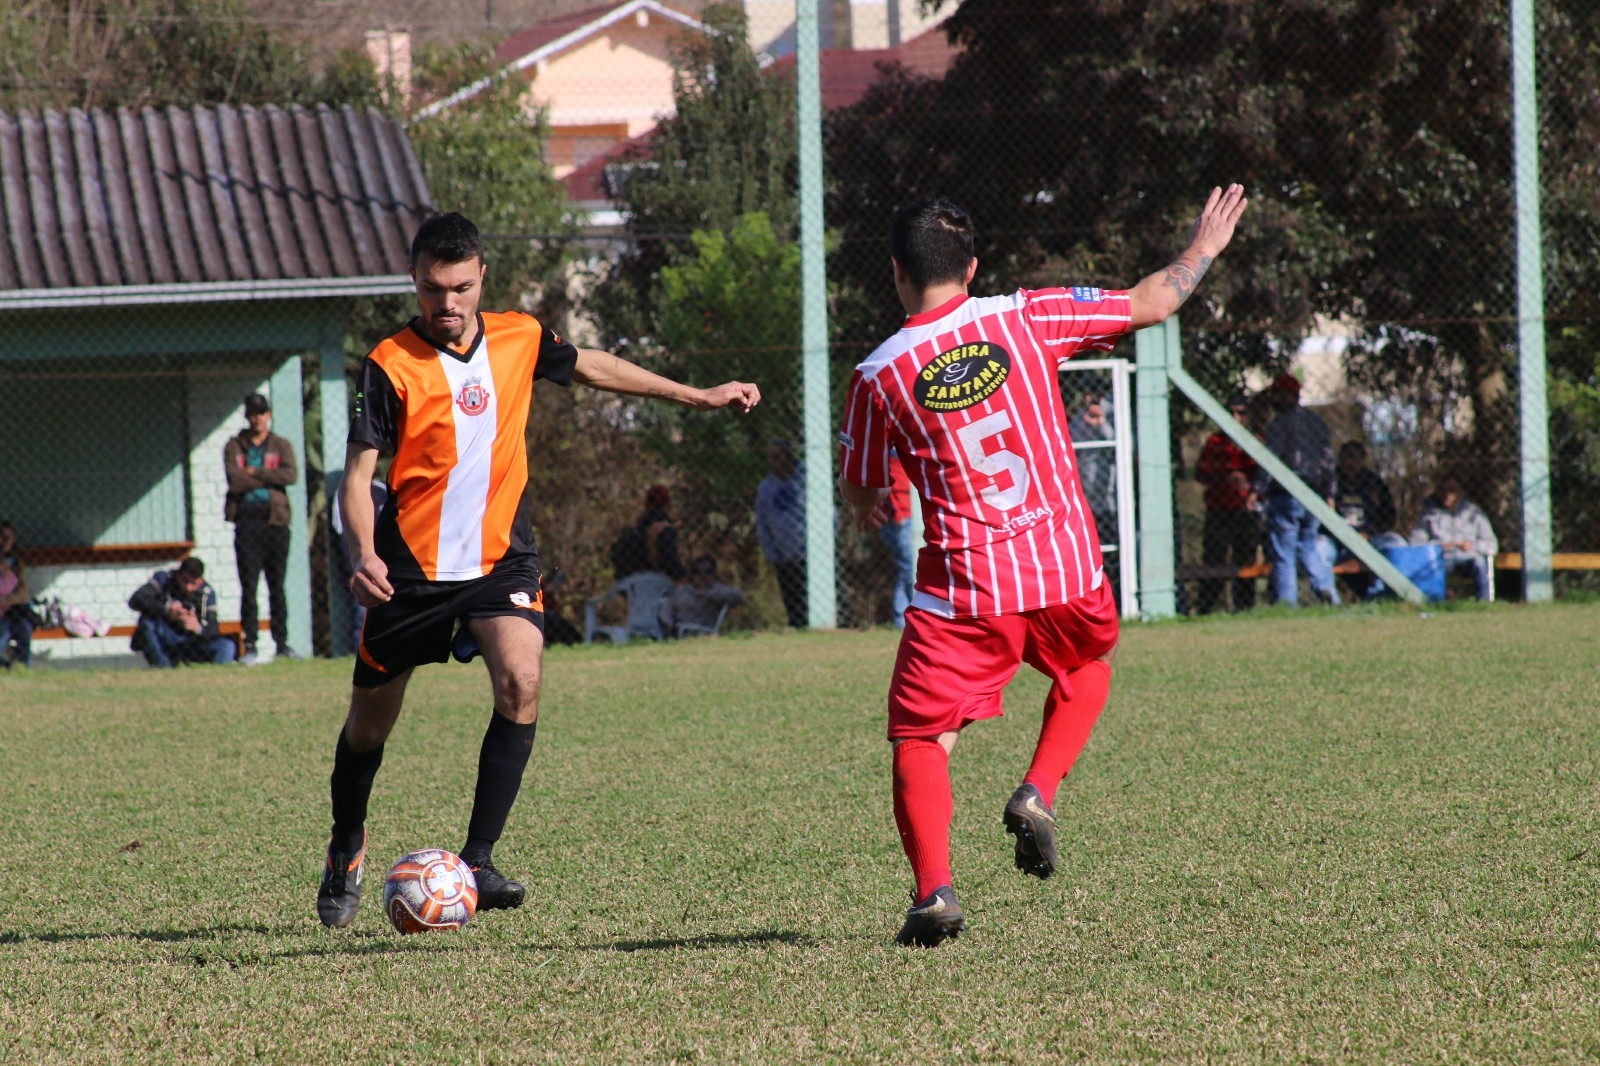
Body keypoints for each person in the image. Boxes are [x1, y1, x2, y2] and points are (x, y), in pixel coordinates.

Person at [321, 212, 759, 928]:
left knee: (522, 680)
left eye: (460, 287)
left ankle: (480, 859)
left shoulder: (520, 337)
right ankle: (346, 843)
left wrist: (697, 394)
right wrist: (362, 553)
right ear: (415, 281)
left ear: (482, 276)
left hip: (501, 561)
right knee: (367, 730)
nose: (447, 303)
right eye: (433, 288)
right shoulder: (389, 362)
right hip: (410, 575)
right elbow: (358, 473)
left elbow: (594, 366)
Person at [838, 185, 1249, 946]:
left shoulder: (878, 374)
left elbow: (860, 486)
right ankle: (1038, 790)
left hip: (964, 589)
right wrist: (1203, 250)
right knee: (1088, 665)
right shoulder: (1026, 314)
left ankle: (935, 893)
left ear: (896, 273)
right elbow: (1151, 302)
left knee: (922, 739)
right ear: (972, 267)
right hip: (1063, 567)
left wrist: (870, 501)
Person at [224, 393, 300, 664]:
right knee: (249, 587)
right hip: (246, 522)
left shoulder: (281, 445)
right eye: (253, 413)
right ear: (247, 416)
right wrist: (268, 478)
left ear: (269, 415)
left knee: (276, 586)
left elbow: (290, 474)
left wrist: (255, 473)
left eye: (262, 413)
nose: (258, 418)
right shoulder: (234, 446)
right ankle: (252, 645)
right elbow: (235, 481)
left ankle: (282, 643)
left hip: (275, 522)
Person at [1251, 373, 1338, 607]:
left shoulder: (1280, 423)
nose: (1273, 400)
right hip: (1315, 493)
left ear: (1289, 395)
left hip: (1287, 495)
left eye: (1277, 395)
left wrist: (1258, 488)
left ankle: (1287, 603)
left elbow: (1271, 458)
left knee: (1283, 552)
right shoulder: (1317, 422)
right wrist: (1329, 492)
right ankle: (1326, 590)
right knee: (1308, 545)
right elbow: (1328, 460)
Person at [1194, 393, 1259, 614]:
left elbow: (1263, 476)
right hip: (1218, 510)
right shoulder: (1215, 443)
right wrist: (1227, 476)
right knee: (1214, 561)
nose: (1235, 417)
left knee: (1246, 560)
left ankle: (1245, 608)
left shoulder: (1255, 442)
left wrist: (1250, 486)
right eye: (1230, 412)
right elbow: (1200, 474)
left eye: (1240, 412)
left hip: (1245, 511)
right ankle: (1207, 609)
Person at [128, 557, 236, 668]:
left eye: (193, 583)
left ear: (201, 580)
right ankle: (162, 667)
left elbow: (214, 629)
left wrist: (197, 628)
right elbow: (136, 600)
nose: (188, 587)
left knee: (227, 646)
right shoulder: (164, 579)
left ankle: (216, 676)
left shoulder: (207, 593)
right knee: (146, 621)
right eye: (184, 581)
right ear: (178, 575)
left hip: (191, 642)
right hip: (165, 637)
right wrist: (167, 610)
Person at [1409, 475, 1497, 600]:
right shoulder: (1429, 514)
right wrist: (1438, 546)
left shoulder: (1474, 514)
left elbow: (1492, 544)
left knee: (1479, 564)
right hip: (1442, 558)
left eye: (1451, 490)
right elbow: (1415, 543)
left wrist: (1473, 545)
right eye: (1442, 490)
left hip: (1469, 556)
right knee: (1432, 568)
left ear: (1460, 492)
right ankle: (1435, 602)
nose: (1447, 495)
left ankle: (1484, 603)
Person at [756, 438, 807, 628]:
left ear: (790, 456)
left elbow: (829, 512)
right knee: (793, 602)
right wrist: (772, 553)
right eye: (771, 457)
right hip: (784, 557)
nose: (774, 461)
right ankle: (798, 630)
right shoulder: (766, 488)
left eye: (778, 456)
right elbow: (762, 524)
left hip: (812, 554)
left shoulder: (807, 479)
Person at [1067, 392, 1117, 545]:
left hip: (1109, 495)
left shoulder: (1113, 412)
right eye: (1086, 394)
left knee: (1111, 537)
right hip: (1087, 494)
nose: (1089, 398)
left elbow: (1119, 441)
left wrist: (1101, 424)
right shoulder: (1080, 418)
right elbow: (1071, 440)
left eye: (1092, 394)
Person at [610, 484, 685, 580]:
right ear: (667, 504)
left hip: (633, 580)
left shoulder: (639, 526)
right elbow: (669, 560)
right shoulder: (664, 528)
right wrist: (683, 575)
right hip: (656, 580)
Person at [664, 556, 745, 635]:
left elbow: (739, 596)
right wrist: (669, 622)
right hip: (674, 627)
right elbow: (669, 605)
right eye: (697, 572)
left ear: (714, 574)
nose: (702, 576)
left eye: (708, 572)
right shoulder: (684, 589)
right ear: (692, 574)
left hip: (697, 630)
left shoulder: (717, 588)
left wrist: (707, 595)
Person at [0, 520, 33, 669]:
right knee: (4, 629)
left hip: (12, 609)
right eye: (2, 536)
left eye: (9, 538)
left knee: (24, 628)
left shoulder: (16, 564)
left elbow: (23, 593)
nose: (5, 541)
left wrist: (7, 600)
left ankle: (23, 666)